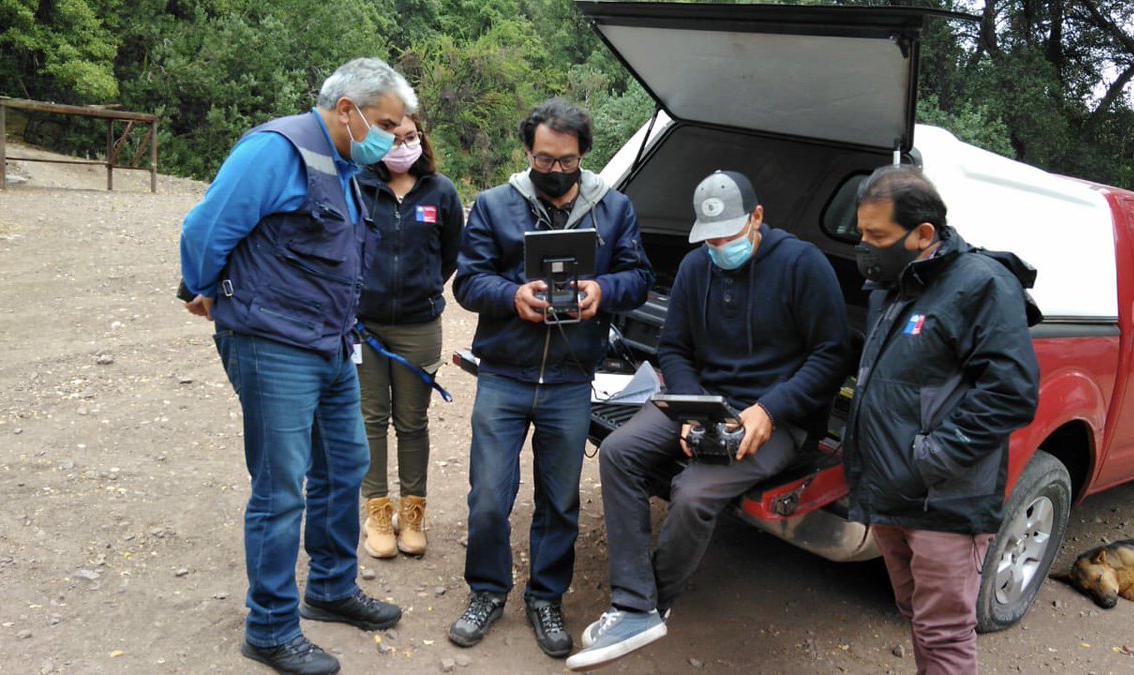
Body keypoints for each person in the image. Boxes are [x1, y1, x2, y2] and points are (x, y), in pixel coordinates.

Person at [179, 57, 416, 675]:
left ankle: (331, 589)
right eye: (387, 123)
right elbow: (205, 228)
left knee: (346, 465)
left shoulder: (341, 165)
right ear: (348, 110)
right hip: (271, 345)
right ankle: (270, 629)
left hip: (331, 344)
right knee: (282, 490)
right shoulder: (274, 150)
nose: (394, 137)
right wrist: (201, 287)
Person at [565, 170, 850, 670]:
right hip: (705, 399)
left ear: (757, 218)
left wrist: (771, 409)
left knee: (694, 493)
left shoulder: (803, 265)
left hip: (777, 414)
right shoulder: (699, 266)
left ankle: (650, 601)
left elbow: (830, 357)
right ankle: (637, 600)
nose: (719, 246)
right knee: (619, 453)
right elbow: (674, 348)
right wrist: (689, 407)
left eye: (729, 235)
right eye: (710, 237)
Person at [448, 100, 655, 658]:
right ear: (528, 153)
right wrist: (512, 296)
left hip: (569, 378)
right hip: (505, 374)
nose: (556, 171)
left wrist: (602, 292)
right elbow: (467, 283)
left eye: (567, 161)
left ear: (583, 156)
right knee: (489, 497)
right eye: (545, 159)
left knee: (560, 501)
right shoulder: (494, 206)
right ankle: (487, 592)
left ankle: (546, 598)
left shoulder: (613, 209)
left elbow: (639, 277)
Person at [844, 165, 1039, 674]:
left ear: (923, 234)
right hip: (892, 494)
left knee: (945, 632)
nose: (865, 246)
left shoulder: (982, 285)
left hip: (944, 501)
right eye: (861, 233)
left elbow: (1012, 393)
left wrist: (929, 459)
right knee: (916, 616)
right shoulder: (893, 284)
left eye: (878, 236)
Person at [357, 113, 463, 559]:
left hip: (419, 327)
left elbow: (452, 253)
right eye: (393, 137)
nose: (403, 145)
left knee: (413, 421)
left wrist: (421, 288)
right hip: (362, 325)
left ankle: (413, 512)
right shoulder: (357, 186)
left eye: (411, 136)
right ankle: (378, 512)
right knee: (370, 419)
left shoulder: (441, 192)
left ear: (422, 138)